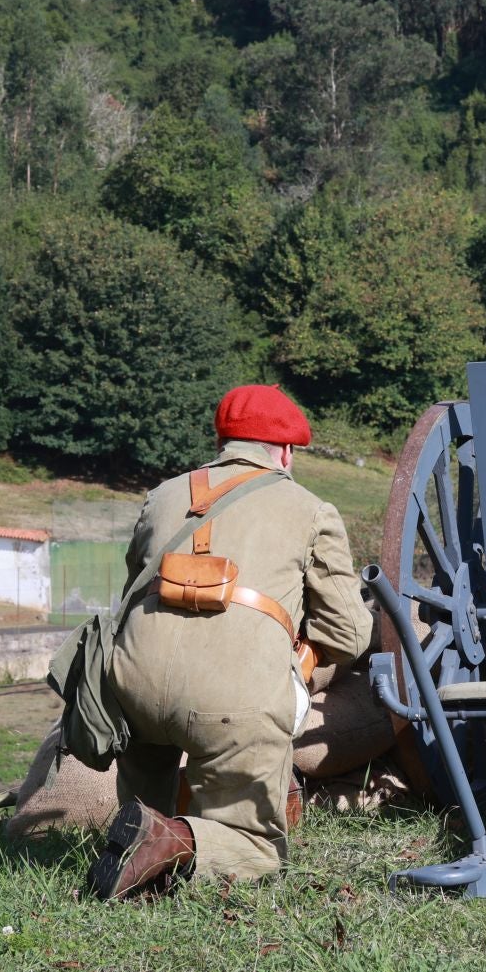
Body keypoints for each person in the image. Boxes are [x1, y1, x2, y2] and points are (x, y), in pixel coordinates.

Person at [88, 384, 373, 899]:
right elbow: (348, 634)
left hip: (130, 687)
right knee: (257, 847)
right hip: (230, 699)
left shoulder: (163, 495)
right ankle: (170, 838)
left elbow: (133, 588)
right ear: (286, 452)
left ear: (223, 441)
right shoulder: (311, 509)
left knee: (147, 791)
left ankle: (143, 840)